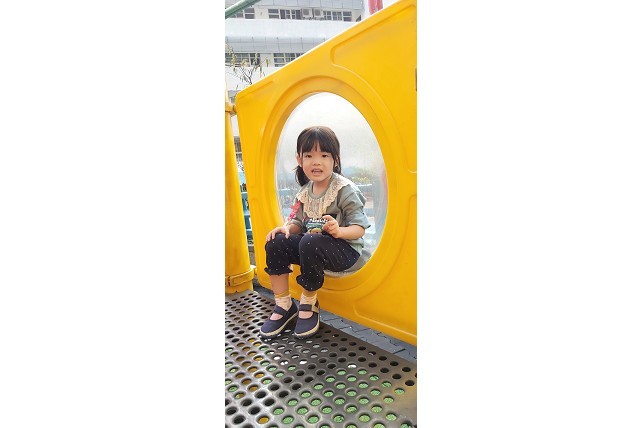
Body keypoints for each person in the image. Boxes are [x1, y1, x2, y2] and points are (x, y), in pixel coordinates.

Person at [260, 126, 370, 339]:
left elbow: (359, 229)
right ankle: (284, 305)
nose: (316, 162)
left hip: (345, 251)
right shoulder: (304, 192)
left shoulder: (345, 189)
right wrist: (287, 228)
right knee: (276, 241)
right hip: (313, 248)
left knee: (310, 241)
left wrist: (339, 231)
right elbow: (297, 222)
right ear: (299, 160)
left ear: (335, 160)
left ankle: (309, 303)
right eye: (309, 155)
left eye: (324, 155)